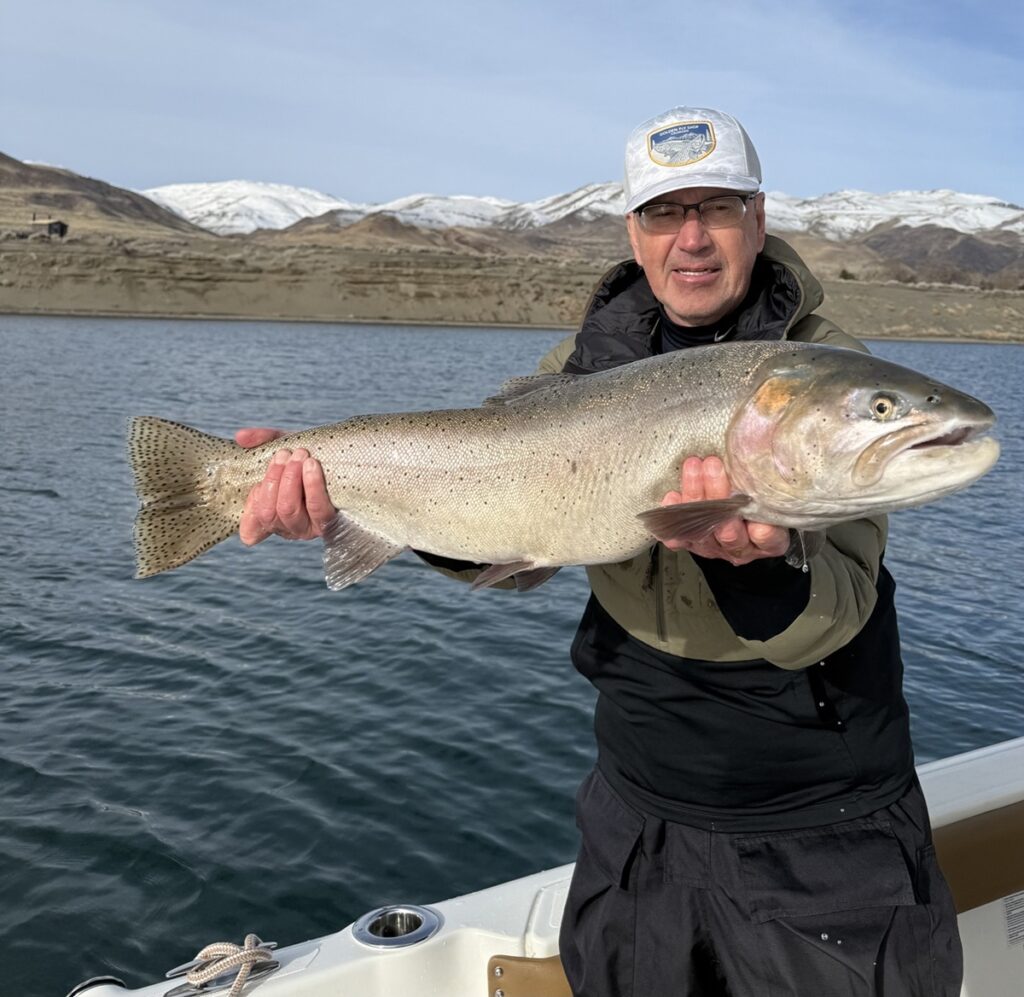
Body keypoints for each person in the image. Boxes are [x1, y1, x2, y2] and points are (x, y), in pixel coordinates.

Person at [236, 107, 963, 996]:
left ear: (758, 221)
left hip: (819, 827)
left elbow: (840, 604)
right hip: (635, 820)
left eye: (718, 209)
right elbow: (512, 537)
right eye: (665, 213)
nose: (691, 238)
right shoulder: (581, 366)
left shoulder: (826, 375)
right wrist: (361, 499)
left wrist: (763, 566)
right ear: (634, 231)